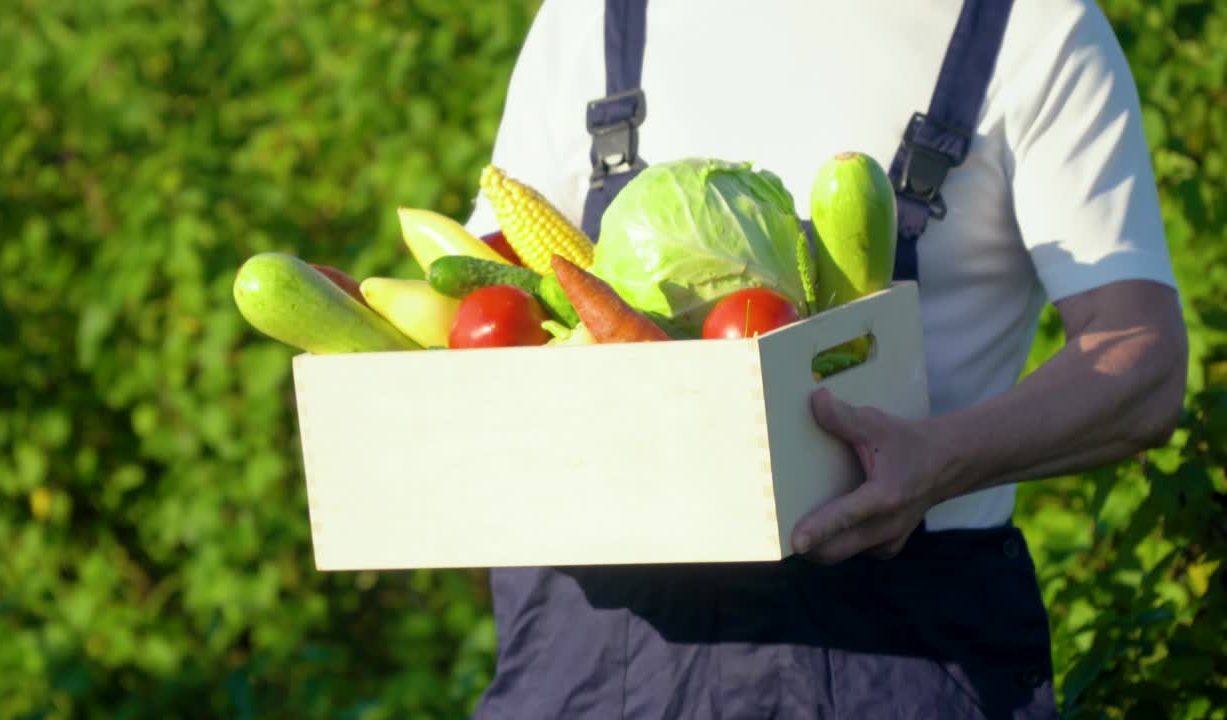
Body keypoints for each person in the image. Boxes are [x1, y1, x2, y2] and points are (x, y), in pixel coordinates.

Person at [461, 0, 1189, 717]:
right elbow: (485, 311)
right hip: (601, 650)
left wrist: (942, 459)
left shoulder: (1030, 24)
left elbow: (1144, 360)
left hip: (905, 647)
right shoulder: (594, 18)